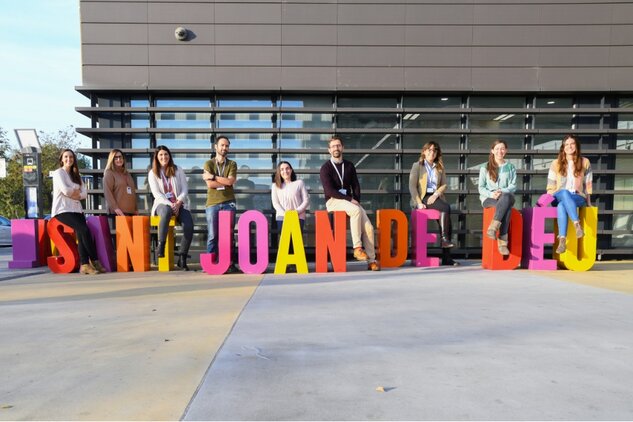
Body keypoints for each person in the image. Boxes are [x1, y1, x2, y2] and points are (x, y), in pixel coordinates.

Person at [319, 136, 380, 271]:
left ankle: (371, 261)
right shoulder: (325, 168)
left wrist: (356, 200)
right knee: (355, 210)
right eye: (333, 146)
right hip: (333, 201)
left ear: (343, 148)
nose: (336, 148)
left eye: (338, 145)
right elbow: (329, 190)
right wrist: (349, 200)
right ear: (329, 150)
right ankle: (357, 248)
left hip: (349, 202)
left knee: (369, 228)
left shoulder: (349, 166)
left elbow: (356, 185)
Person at [51, 149, 106, 275]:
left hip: (76, 210)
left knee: (82, 234)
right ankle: (95, 260)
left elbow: (84, 194)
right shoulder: (58, 173)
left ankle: (85, 265)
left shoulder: (77, 175)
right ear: (61, 159)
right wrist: (76, 192)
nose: (68, 159)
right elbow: (65, 191)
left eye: (71, 157)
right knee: (84, 230)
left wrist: (75, 193)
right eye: (66, 157)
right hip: (62, 210)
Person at [408, 141, 458, 266]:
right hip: (423, 197)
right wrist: (419, 203)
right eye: (429, 150)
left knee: (447, 223)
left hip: (435, 197)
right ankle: (444, 239)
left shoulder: (440, 167)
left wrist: (436, 194)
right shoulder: (417, 166)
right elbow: (412, 186)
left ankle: (446, 257)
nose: (432, 152)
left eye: (434, 150)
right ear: (424, 152)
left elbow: (444, 184)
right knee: (446, 208)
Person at [148, 145, 194, 271]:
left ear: (169, 156)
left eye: (166, 154)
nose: (164, 157)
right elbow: (156, 194)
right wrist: (170, 204)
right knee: (166, 211)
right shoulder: (153, 173)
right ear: (156, 157)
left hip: (179, 203)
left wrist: (178, 202)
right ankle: (161, 245)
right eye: (161, 155)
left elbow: (184, 188)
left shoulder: (178, 169)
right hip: (162, 204)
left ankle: (182, 257)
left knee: (189, 225)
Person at [546, 134, 593, 254]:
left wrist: (589, 203)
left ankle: (562, 240)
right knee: (564, 193)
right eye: (566, 144)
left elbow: (588, 185)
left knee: (562, 205)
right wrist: (553, 195)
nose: (569, 146)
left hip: (577, 196)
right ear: (563, 147)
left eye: (572, 144)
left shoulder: (585, 162)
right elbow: (550, 187)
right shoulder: (555, 163)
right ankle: (577, 224)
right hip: (558, 195)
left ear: (576, 146)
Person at [202, 136, 238, 272]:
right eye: (222, 145)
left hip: (229, 203)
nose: (224, 148)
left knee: (228, 235)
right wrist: (223, 182)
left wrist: (214, 177)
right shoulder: (208, 164)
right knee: (213, 235)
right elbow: (210, 185)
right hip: (213, 203)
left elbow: (230, 182)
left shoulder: (232, 164)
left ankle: (230, 263)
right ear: (216, 147)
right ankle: (210, 263)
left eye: (227, 146)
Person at [478, 139, 517, 256]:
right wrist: (492, 194)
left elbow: (513, 186)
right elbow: (481, 188)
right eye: (497, 149)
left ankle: (493, 228)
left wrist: (501, 191)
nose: (500, 151)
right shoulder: (485, 167)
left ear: (506, 150)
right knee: (506, 208)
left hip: (506, 196)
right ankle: (503, 242)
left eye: (502, 149)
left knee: (506, 198)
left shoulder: (511, 167)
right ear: (492, 151)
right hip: (489, 198)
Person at [271, 161, 310, 232]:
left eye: (287, 168)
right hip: (282, 218)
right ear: (279, 172)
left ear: (291, 170)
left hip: (298, 217)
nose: (285, 171)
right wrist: (286, 214)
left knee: (296, 239)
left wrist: (296, 212)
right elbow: (275, 203)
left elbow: (306, 200)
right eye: (282, 169)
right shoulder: (275, 186)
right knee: (285, 239)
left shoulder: (299, 183)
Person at [103, 149, 138, 220]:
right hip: (117, 213)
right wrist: (115, 208)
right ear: (112, 160)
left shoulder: (127, 174)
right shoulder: (109, 173)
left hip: (131, 212)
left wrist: (135, 208)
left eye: (120, 157)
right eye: (116, 158)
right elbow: (108, 192)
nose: (119, 159)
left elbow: (133, 193)